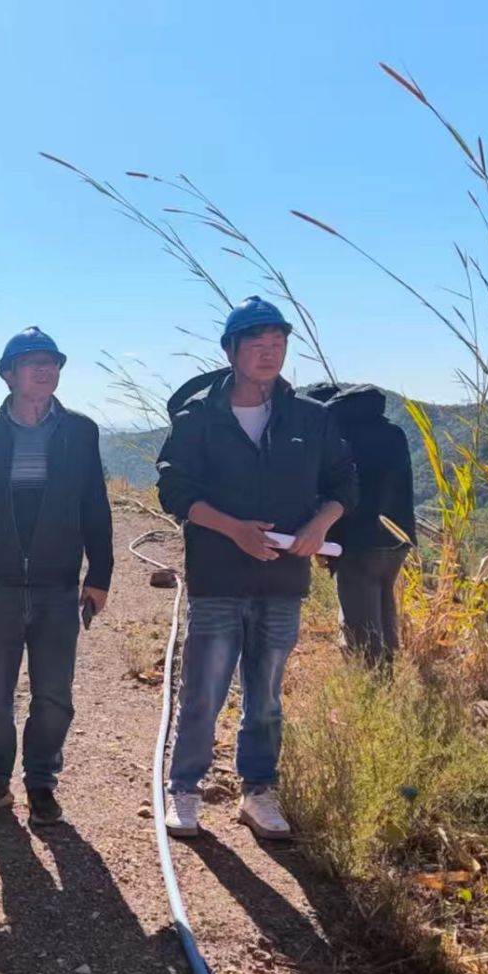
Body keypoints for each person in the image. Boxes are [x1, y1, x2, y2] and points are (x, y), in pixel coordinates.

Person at [157, 298, 357, 841]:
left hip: (283, 580)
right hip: (218, 576)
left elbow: (344, 482)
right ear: (230, 351)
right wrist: (233, 529)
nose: (270, 353)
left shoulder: (310, 418)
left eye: (278, 343)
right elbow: (174, 490)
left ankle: (258, 793)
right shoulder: (199, 416)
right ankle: (185, 789)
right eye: (257, 344)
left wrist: (320, 525)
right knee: (203, 692)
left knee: (265, 696)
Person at [0, 326, 114, 828]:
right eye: (33, 362)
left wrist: (100, 572)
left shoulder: (80, 432)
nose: (45, 370)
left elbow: (95, 505)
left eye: (52, 362)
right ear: (8, 374)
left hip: (57, 584)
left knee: (54, 696)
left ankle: (41, 783)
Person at [305, 383, 416, 669]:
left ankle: (370, 677)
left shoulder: (335, 436)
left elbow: (331, 493)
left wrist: (323, 540)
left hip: (356, 539)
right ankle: (388, 668)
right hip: (397, 535)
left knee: (360, 620)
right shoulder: (392, 431)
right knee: (384, 600)